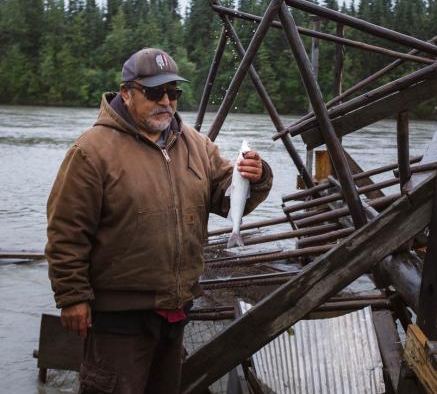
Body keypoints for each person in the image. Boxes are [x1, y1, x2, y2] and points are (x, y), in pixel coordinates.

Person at [45, 47, 273, 394]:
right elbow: (66, 231)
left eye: (173, 92)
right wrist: (72, 296)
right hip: (117, 318)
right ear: (126, 93)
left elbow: (226, 197)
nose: (166, 101)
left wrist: (255, 177)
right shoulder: (91, 151)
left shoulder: (197, 144)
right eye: (154, 92)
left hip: (176, 310)